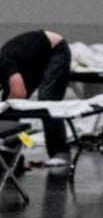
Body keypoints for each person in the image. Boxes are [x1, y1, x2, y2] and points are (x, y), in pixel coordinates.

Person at [0, 28, 73, 170]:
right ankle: (11, 154)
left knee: (47, 100)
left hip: (55, 50)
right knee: (9, 109)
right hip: (33, 61)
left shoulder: (4, 62)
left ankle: (60, 153)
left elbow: (19, 93)